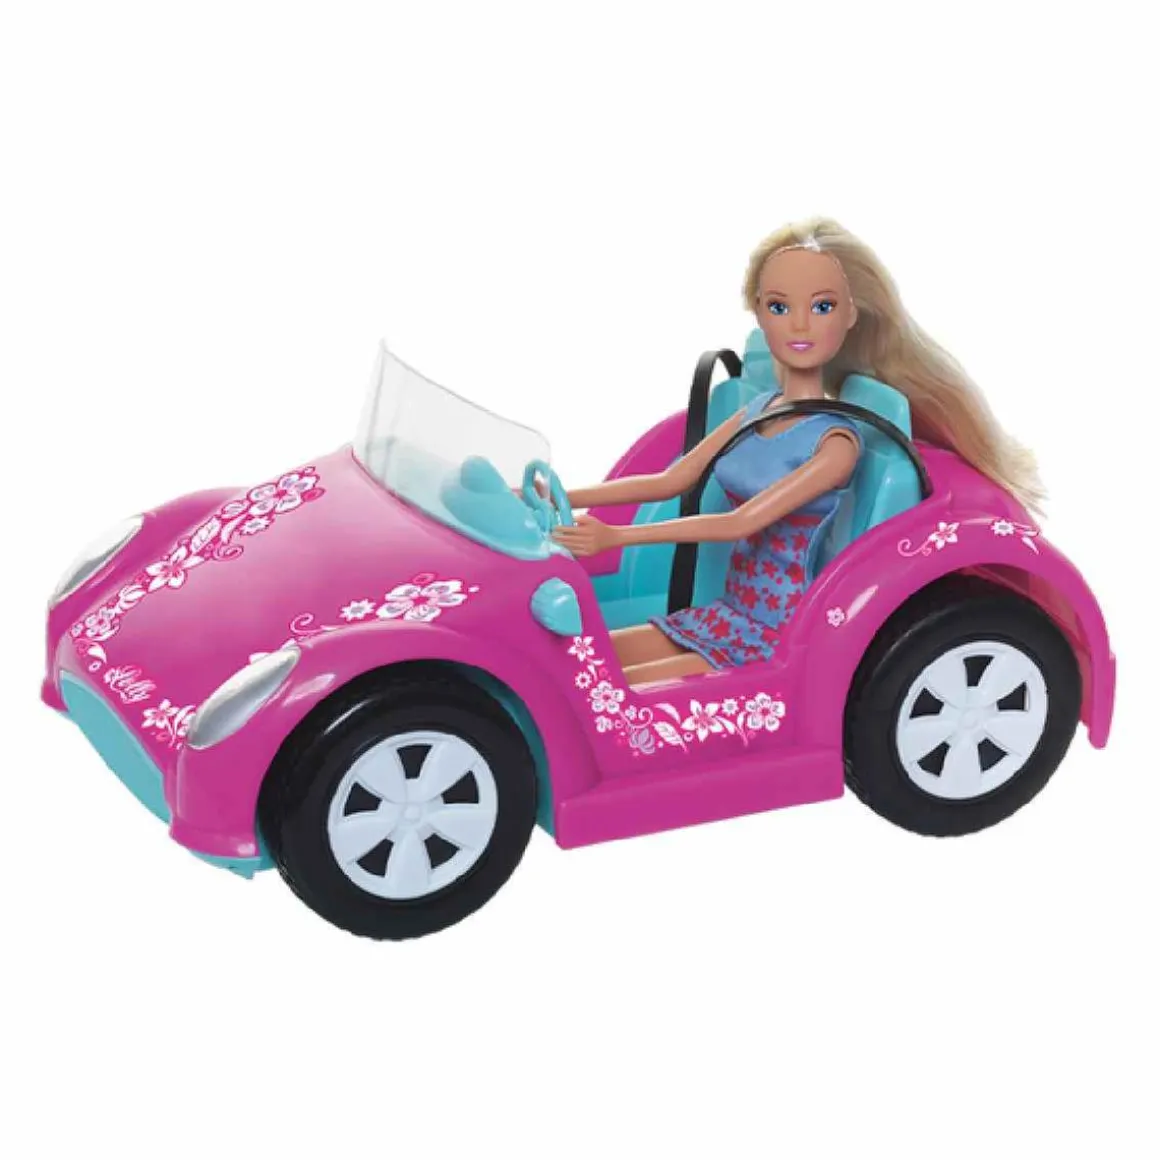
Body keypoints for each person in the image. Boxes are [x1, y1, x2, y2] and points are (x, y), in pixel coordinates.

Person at [551, 217, 1042, 688]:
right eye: (780, 307)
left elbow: (738, 523)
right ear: (759, 313)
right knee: (584, 660)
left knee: (609, 688)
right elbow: (673, 480)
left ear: (850, 317)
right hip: (729, 612)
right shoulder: (758, 410)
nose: (800, 325)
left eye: (822, 306)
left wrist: (617, 537)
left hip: (777, 631)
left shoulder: (836, 444)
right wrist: (563, 495)